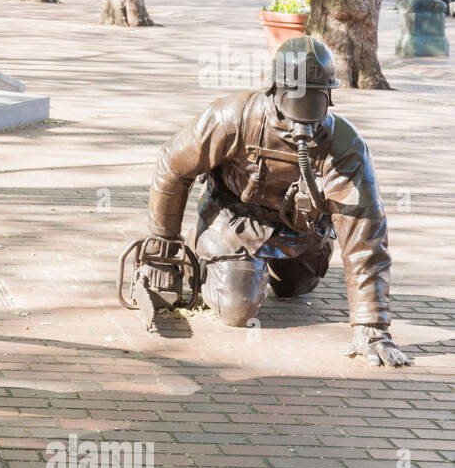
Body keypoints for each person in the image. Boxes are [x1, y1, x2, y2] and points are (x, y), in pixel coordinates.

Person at [136, 36, 409, 368]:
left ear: (329, 97)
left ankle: (265, 270)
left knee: (298, 287)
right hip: (235, 224)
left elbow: (365, 236)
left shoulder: (343, 146)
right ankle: (209, 260)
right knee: (238, 308)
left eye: (314, 99)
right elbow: (173, 165)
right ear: (274, 90)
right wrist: (164, 245)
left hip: (300, 231)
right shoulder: (233, 118)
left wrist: (372, 327)